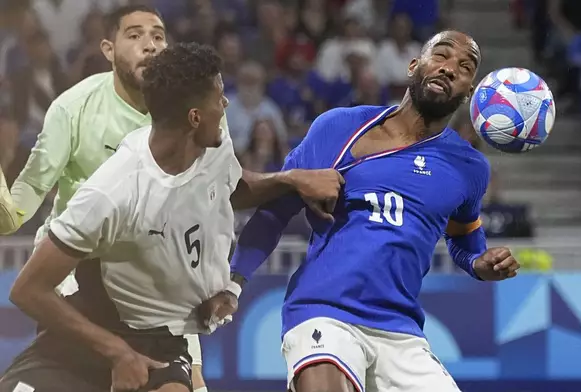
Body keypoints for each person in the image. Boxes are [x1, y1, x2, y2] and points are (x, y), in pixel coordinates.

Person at [0, 42, 343, 392]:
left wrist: (289, 180)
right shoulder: (113, 192)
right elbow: (28, 290)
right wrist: (118, 353)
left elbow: (233, 187)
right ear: (194, 117)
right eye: (219, 96)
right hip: (89, 333)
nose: (225, 104)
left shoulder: (214, 146)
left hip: (161, 340)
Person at [229, 30, 521, 392]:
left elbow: (464, 237)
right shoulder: (339, 127)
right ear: (414, 66)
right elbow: (274, 212)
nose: (449, 69)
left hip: (400, 330)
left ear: (468, 92)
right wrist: (234, 281)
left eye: (464, 68)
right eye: (441, 56)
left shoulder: (469, 168)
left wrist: (479, 264)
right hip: (323, 309)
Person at [0, 5, 213, 390]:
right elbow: (19, 206)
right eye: (134, 36)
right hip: (76, 279)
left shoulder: (192, 114)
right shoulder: (73, 107)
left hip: (157, 287)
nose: (149, 45)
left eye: (158, 36)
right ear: (108, 49)